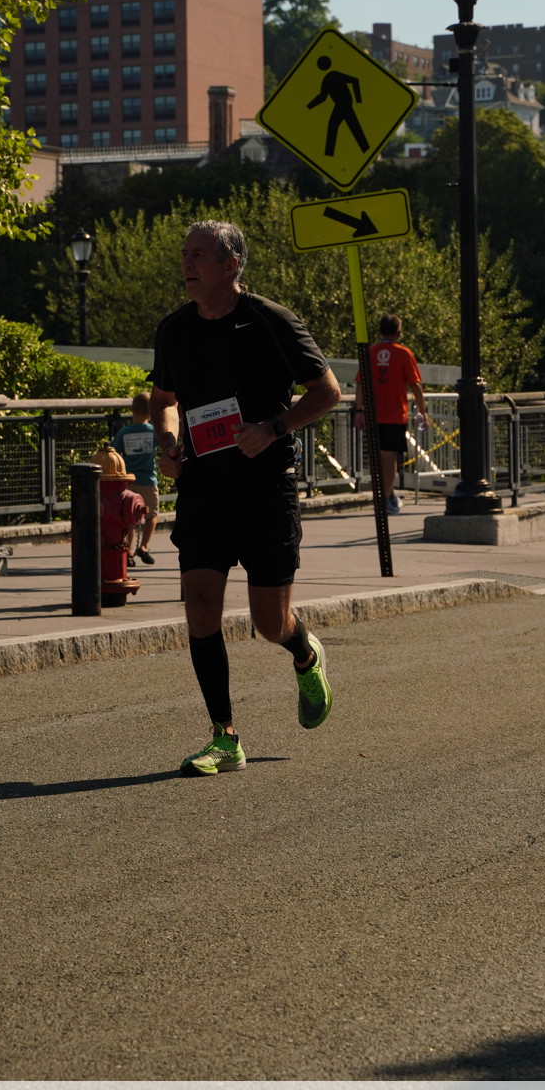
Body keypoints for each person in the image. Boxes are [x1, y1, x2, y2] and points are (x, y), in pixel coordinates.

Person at [149, 219, 342, 778]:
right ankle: (224, 736)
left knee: (268, 621)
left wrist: (273, 428)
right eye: (185, 254)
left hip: (265, 488)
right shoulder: (175, 329)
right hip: (204, 488)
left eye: (200, 255)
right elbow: (163, 399)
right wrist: (167, 442)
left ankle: (305, 653)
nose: (187, 264)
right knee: (199, 606)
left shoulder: (271, 321)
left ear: (231, 265)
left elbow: (328, 391)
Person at [355, 313, 429, 515]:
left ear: (380, 331)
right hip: (395, 414)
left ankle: (387, 495)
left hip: (373, 414)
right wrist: (422, 411)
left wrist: (359, 410)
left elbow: (360, 383)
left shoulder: (370, 353)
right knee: (390, 458)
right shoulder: (404, 354)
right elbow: (415, 385)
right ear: (399, 333)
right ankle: (384, 499)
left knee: (378, 458)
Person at [109, 392, 159, 564]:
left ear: (133, 410)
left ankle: (128, 551)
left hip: (129, 481)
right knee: (151, 514)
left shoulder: (124, 432)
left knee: (129, 516)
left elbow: (115, 453)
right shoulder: (153, 431)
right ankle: (143, 546)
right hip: (148, 479)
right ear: (151, 411)